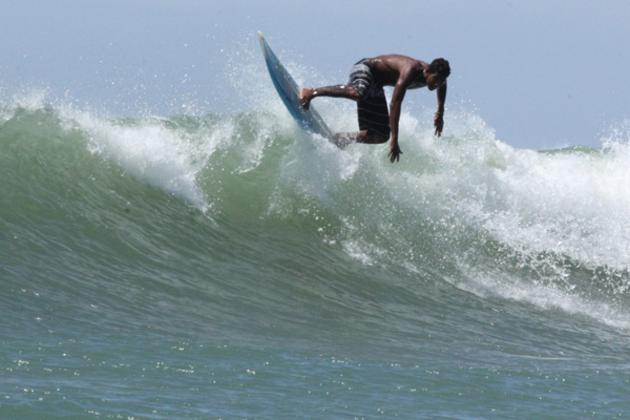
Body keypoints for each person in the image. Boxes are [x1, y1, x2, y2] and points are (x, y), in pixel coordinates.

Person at [300, 55, 450, 162]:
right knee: (358, 93)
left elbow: (443, 86)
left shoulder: (438, 79)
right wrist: (395, 139)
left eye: (440, 81)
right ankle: (312, 92)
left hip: (376, 85)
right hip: (366, 68)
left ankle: (340, 139)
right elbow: (395, 103)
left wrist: (440, 113)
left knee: (380, 135)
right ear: (428, 72)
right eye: (435, 80)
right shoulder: (411, 70)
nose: (437, 84)